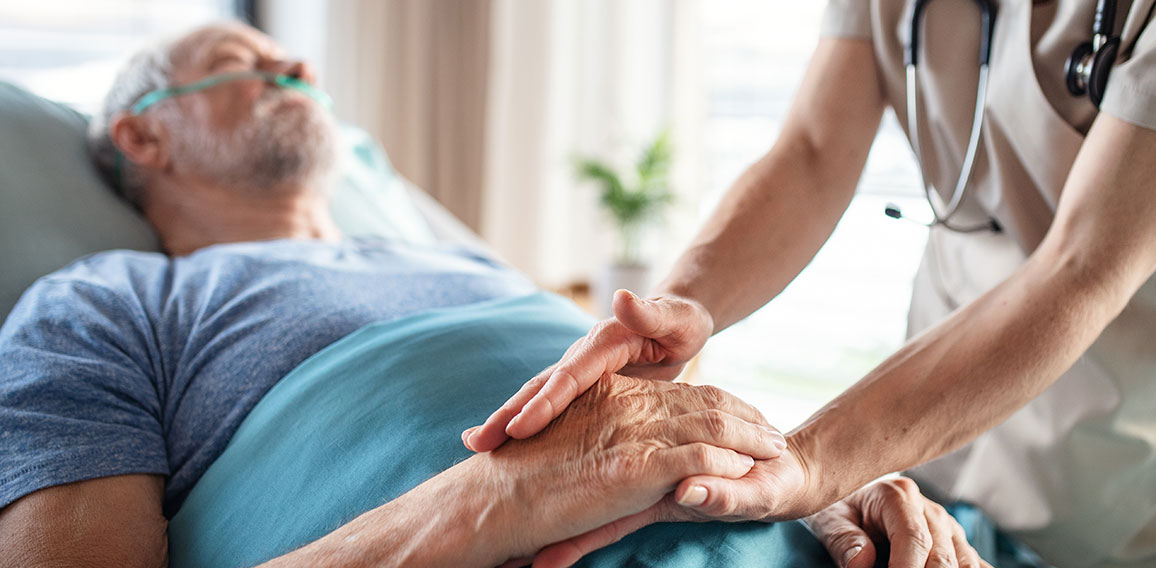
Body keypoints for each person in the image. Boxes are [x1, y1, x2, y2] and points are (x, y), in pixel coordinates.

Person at [0, 21, 985, 568]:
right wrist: (480, 504)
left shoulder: (474, 269)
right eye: (240, 63)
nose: (294, 63)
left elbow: (663, 431)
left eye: (291, 58)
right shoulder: (100, 302)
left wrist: (817, 495)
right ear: (141, 136)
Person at [467, 1, 1156, 567]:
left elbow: (1080, 268)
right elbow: (812, 154)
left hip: (1100, 491)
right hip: (921, 450)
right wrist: (684, 303)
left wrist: (812, 463)